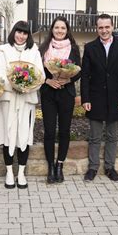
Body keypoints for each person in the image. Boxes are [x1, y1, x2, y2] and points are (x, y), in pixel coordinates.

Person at [0, 21, 45, 189]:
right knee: (8, 134)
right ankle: (9, 172)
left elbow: (40, 76)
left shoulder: (34, 51)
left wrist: (26, 87)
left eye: (24, 33)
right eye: (18, 32)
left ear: (28, 35)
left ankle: (21, 172)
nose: (21, 36)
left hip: (26, 100)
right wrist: (13, 86)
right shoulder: (3, 51)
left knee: (24, 135)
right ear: (13, 32)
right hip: (8, 100)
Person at [80, 14, 118, 182]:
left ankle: (110, 168)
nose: (104, 30)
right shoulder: (90, 48)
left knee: (112, 136)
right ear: (97, 28)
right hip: (95, 99)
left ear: (112, 26)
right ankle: (92, 168)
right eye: (100, 27)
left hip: (116, 99)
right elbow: (85, 75)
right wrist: (85, 99)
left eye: (107, 27)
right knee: (94, 137)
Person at [39, 16, 81, 184]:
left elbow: (79, 70)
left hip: (66, 94)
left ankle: (59, 166)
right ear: (52, 29)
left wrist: (68, 79)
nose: (59, 31)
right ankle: (50, 166)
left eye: (63, 28)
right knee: (49, 131)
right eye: (57, 28)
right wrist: (47, 80)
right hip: (48, 93)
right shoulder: (43, 48)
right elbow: (37, 70)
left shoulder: (74, 48)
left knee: (64, 131)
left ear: (67, 30)